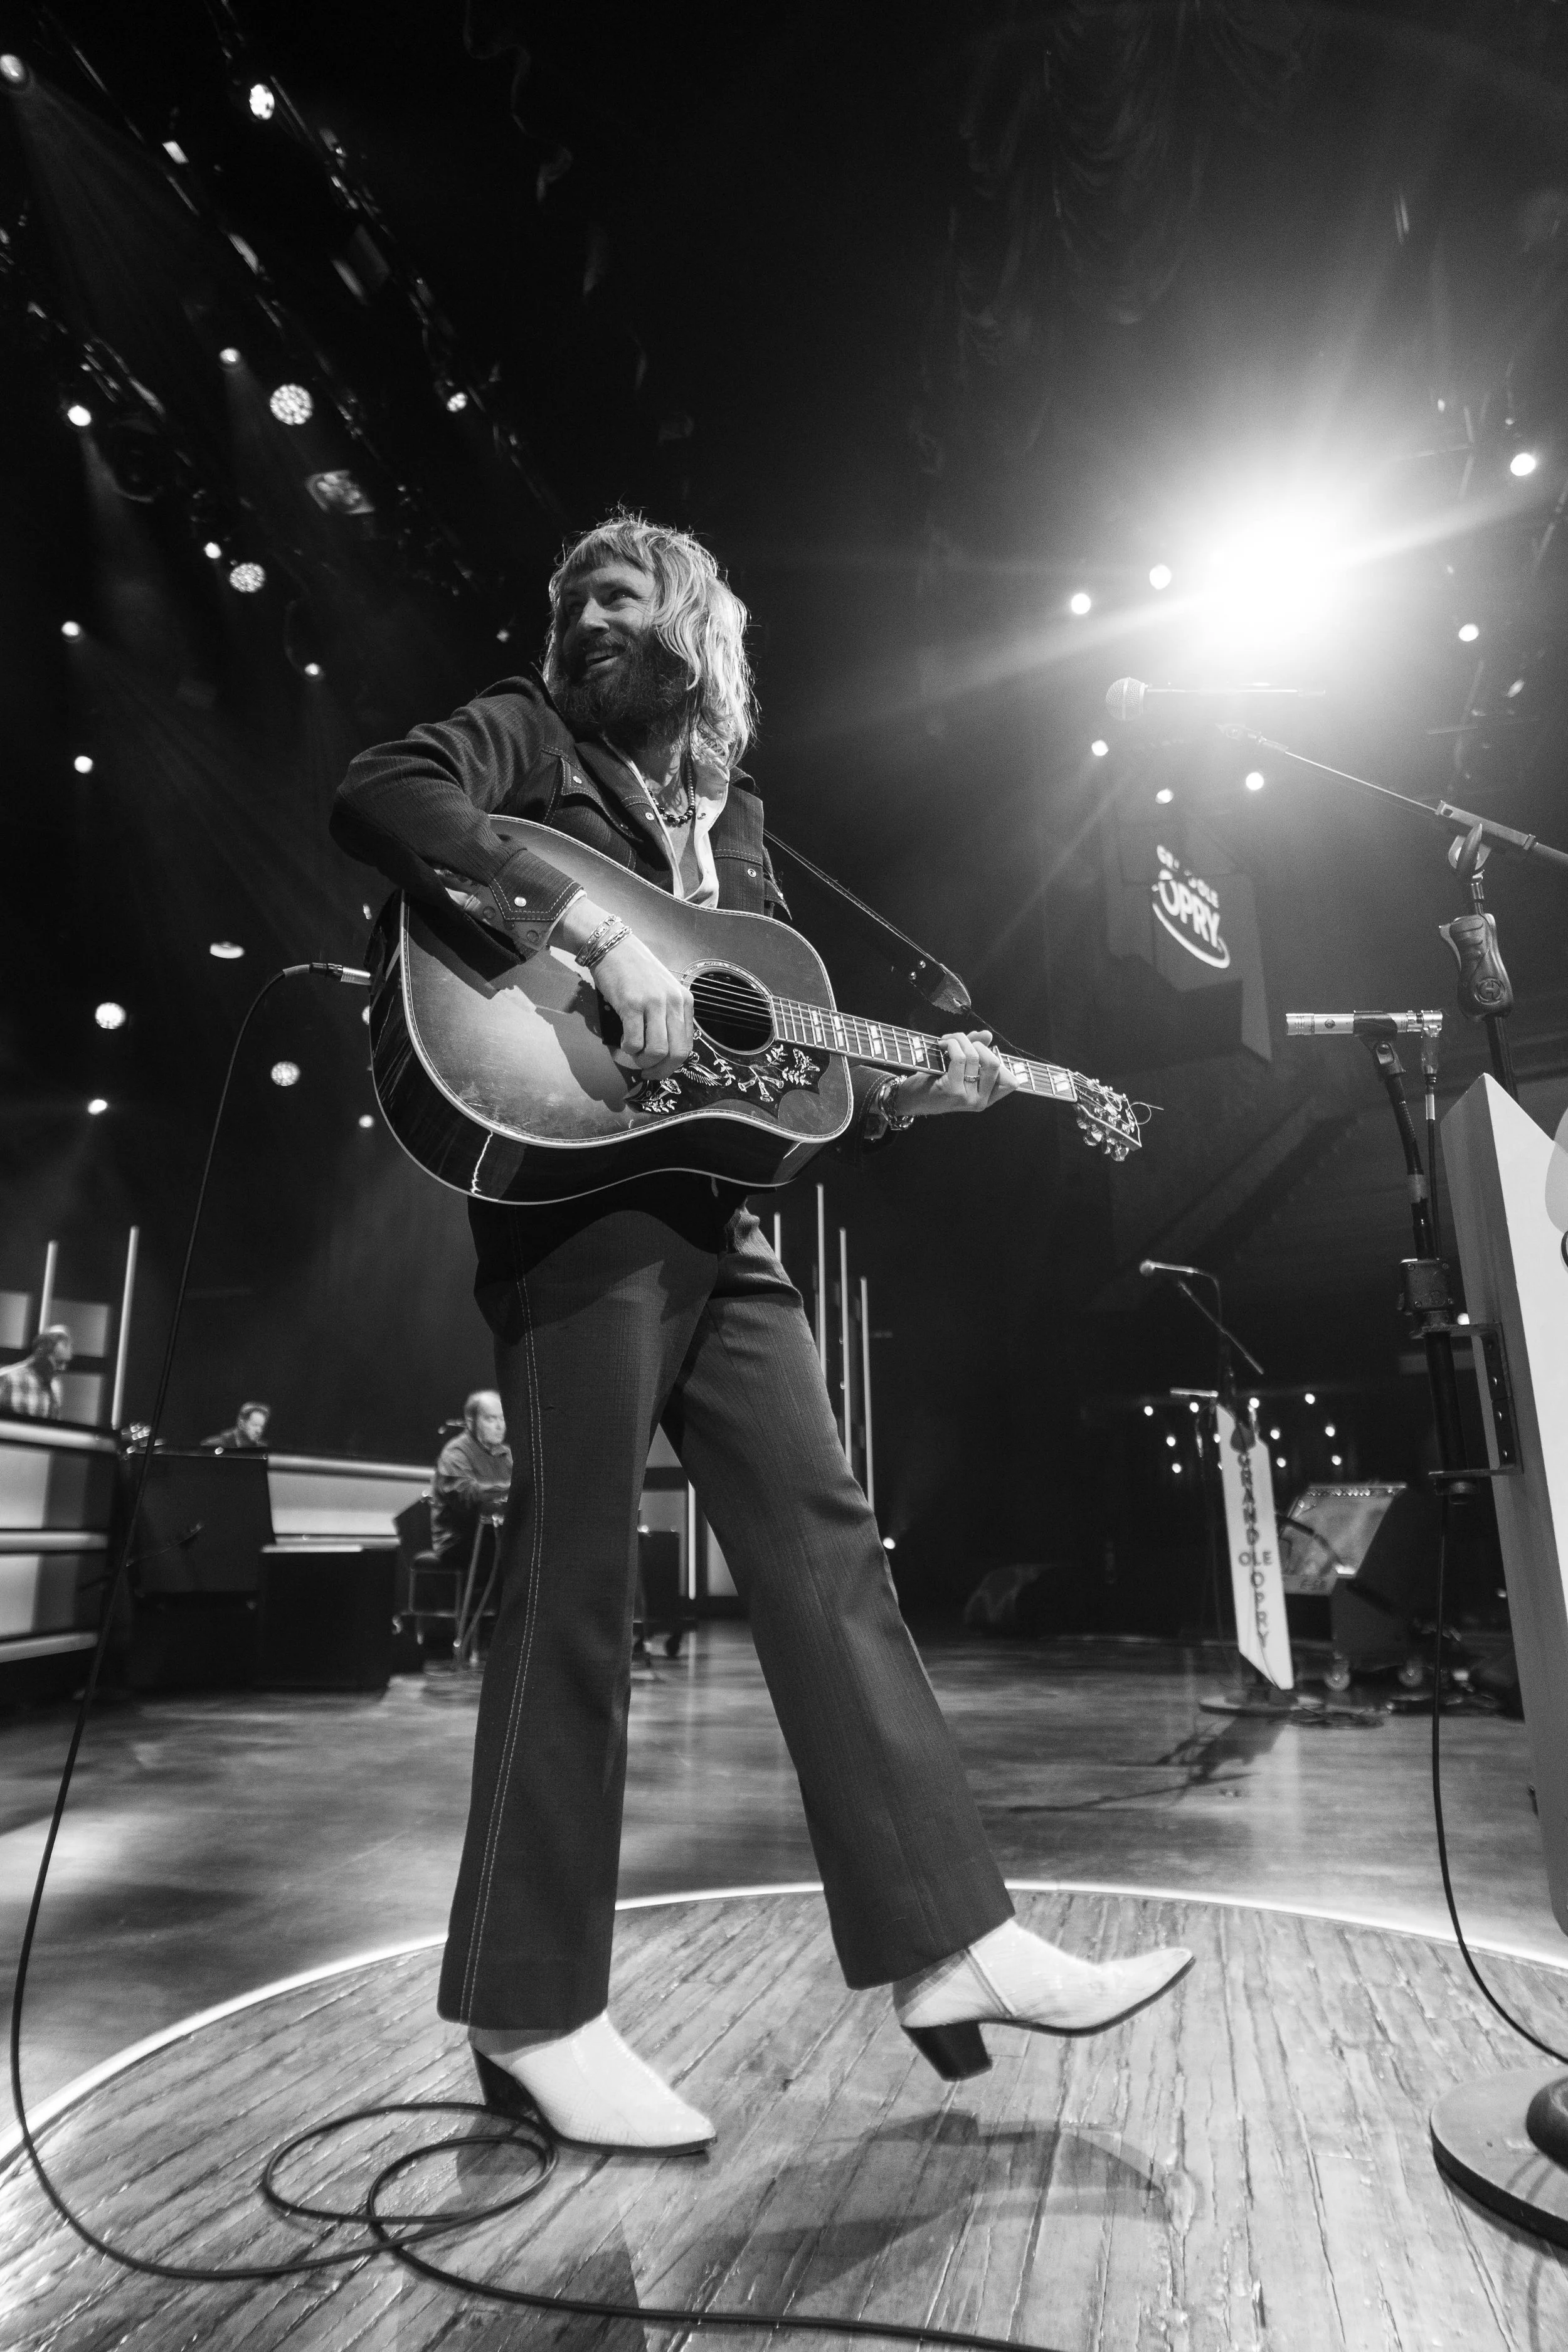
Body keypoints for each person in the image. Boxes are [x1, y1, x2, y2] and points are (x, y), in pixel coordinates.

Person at [331, 512, 1190, 2157]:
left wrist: (922, 1089)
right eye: (568, 588)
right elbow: (380, 792)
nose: (583, 613)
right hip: (575, 1210)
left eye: (619, 592)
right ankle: (527, 2008)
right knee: (574, 1579)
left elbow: (785, 1059)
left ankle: (951, 1936)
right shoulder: (527, 733)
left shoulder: (741, 825)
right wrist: (589, 930)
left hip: (714, 1218)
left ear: (704, 631)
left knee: (826, 1549)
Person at [431, 1390, 514, 1562]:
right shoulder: (456, 1452)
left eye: (502, 1418)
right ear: (471, 1422)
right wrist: (512, 1489)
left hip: (493, 1533)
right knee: (512, 1553)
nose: (500, 1426)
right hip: (458, 1539)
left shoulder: (507, 1456)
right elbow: (466, 1496)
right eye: (491, 1419)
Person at [0, 1325, 72, 1421]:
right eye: (59, 1362)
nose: (63, 1368)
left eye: (65, 1362)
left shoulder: (55, 1385)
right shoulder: (7, 1378)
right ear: (41, 1354)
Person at [199, 1401, 271, 1451]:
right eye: (255, 1425)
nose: (259, 1431)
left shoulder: (262, 1449)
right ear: (241, 1424)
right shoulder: (213, 1446)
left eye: (262, 1427)